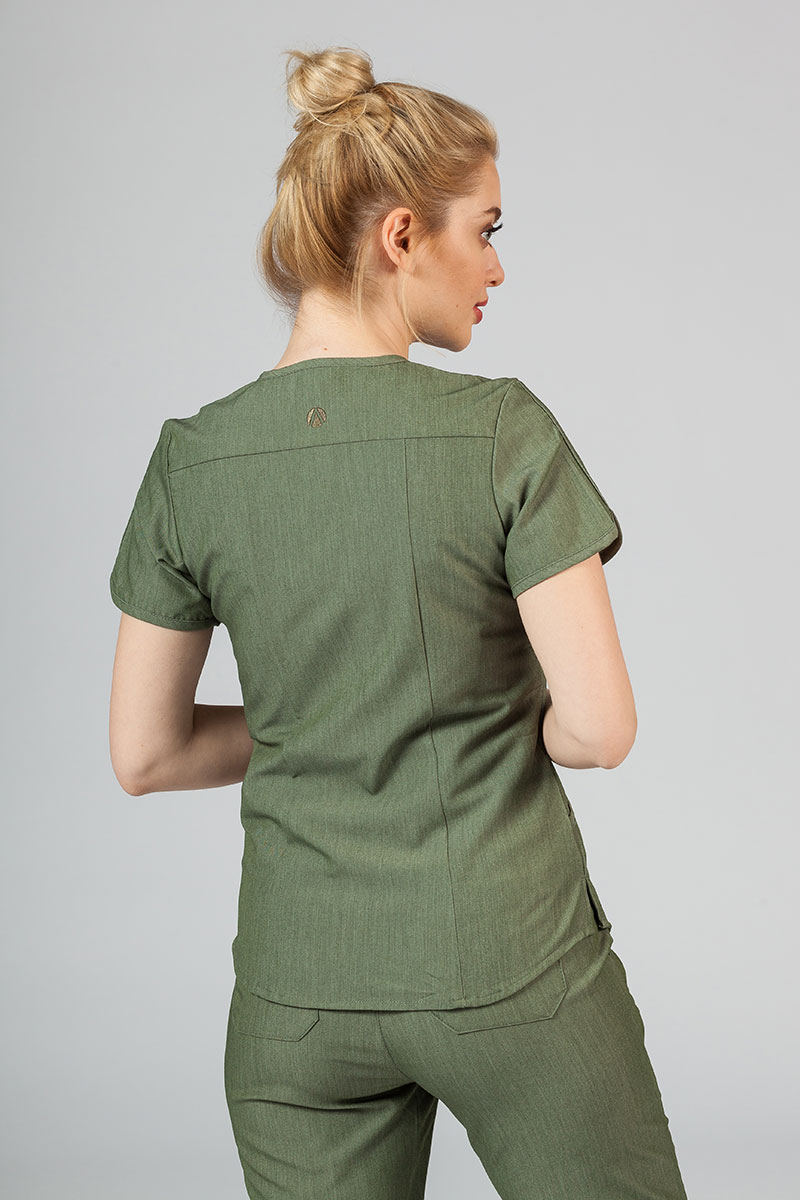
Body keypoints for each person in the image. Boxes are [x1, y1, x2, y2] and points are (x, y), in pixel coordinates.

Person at [108, 44, 689, 1200]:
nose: (497, 267)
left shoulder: (192, 462)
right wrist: (478, 706)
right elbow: (598, 727)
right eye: (487, 230)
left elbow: (147, 755)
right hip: (511, 969)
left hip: (296, 1001)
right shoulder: (500, 433)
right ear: (401, 237)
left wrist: (319, 717)